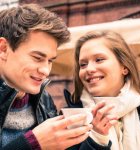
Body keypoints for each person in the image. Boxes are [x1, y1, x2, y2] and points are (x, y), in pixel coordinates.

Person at [0, 4, 94, 150]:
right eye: (37, 57)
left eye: (50, 60)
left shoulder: (44, 99)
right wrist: (33, 144)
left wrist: (98, 138)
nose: (46, 71)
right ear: (3, 49)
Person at [64, 30, 140, 150]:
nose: (89, 69)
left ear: (124, 67)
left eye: (99, 60)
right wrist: (96, 139)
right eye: (83, 64)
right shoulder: (69, 119)